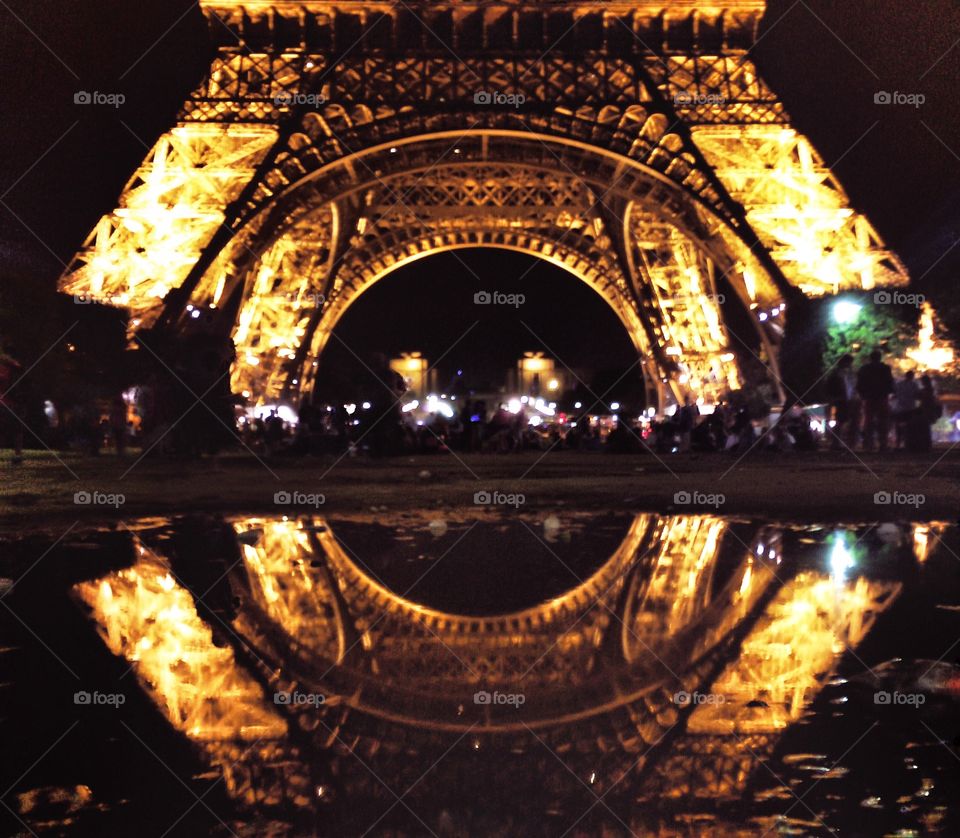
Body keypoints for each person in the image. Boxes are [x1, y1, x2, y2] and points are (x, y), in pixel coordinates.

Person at [856, 349, 894, 451]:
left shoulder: (864, 369)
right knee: (883, 421)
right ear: (879, 357)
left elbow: (859, 383)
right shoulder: (885, 368)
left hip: (869, 397)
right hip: (882, 397)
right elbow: (890, 382)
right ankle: (883, 443)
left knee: (869, 421)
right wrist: (890, 392)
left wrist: (862, 395)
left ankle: (869, 443)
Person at [825, 354, 858, 451]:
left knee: (843, 420)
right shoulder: (838, 374)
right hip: (842, 399)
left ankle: (838, 442)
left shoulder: (844, 373)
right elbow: (832, 386)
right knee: (841, 420)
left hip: (846, 399)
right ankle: (836, 442)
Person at [0, 345, 25, 464]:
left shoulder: (13, 368)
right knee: (12, 429)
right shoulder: (8, 368)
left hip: (11, 402)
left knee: (16, 429)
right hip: (6, 402)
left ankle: (18, 454)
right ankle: (17, 454)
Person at [892, 370, 920, 449]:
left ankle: (898, 443)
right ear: (912, 376)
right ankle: (907, 443)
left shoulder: (899, 384)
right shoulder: (914, 385)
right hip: (910, 408)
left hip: (900, 408)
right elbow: (917, 395)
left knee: (898, 426)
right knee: (909, 426)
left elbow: (895, 394)